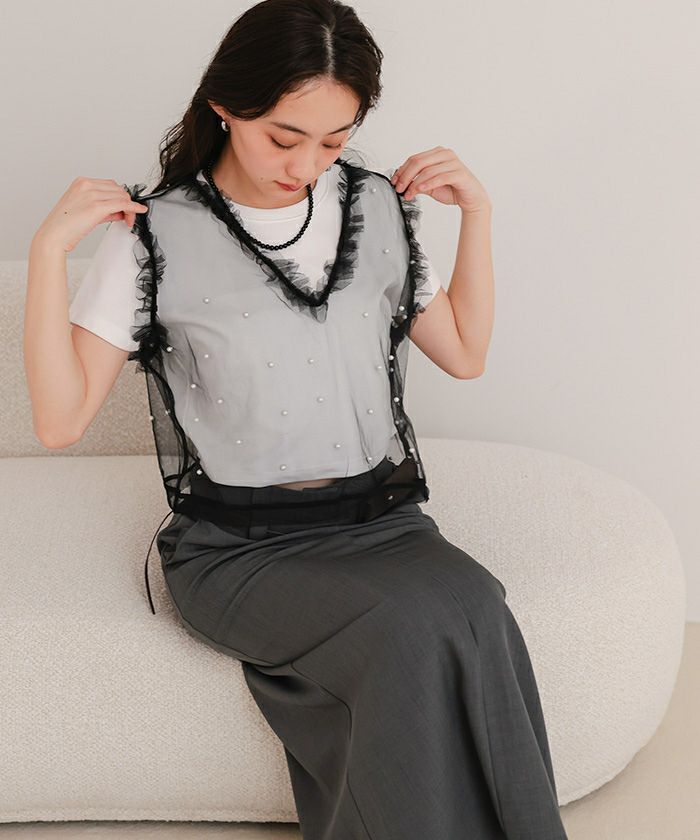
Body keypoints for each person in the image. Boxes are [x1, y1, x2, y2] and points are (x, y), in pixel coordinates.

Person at [24, 1, 569, 837]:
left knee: (477, 606)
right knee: (406, 631)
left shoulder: (376, 208)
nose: (307, 164)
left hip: (382, 523)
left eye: (334, 140)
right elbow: (60, 422)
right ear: (225, 106)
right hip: (236, 549)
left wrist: (479, 216)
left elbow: (463, 351)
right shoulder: (153, 236)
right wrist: (46, 255)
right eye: (285, 137)